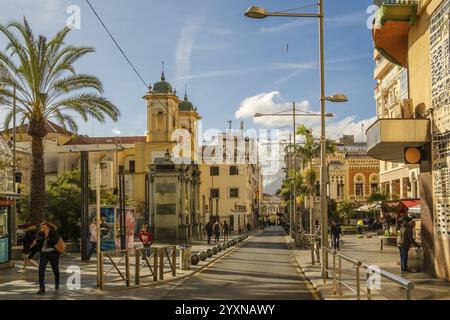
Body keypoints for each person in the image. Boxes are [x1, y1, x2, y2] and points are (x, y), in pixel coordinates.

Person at [32, 222, 61, 294]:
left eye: (44, 228)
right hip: (43, 254)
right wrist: (36, 241)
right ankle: (42, 288)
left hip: (53, 253)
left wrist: (47, 236)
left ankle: (57, 283)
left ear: (48, 228)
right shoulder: (41, 234)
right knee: (41, 270)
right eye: (42, 228)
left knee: (55, 270)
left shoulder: (54, 233)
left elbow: (55, 241)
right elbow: (39, 242)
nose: (42, 229)